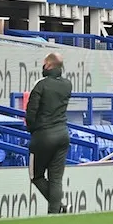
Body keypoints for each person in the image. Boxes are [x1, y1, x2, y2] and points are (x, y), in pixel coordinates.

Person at [25, 52, 73, 213]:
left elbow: (31, 113)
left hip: (43, 136)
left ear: (49, 65)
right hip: (62, 135)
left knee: (36, 176)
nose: (43, 66)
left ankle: (58, 208)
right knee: (56, 179)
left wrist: (33, 130)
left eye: (44, 64)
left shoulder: (41, 85)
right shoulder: (67, 85)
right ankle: (55, 212)